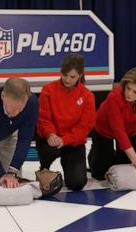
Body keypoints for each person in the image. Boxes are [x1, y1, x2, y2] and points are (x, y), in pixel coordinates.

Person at [36, 53, 96, 190]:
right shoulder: (48, 90)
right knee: (48, 150)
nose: (67, 79)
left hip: (72, 142)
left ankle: (69, 168)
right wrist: (50, 134)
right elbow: (43, 118)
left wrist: (65, 140)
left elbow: (85, 127)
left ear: (80, 76)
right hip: (51, 139)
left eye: (72, 77)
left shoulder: (88, 96)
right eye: (65, 75)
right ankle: (44, 168)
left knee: (77, 184)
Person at [88, 66, 136, 180]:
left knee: (126, 166)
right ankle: (94, 153)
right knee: (101, 173)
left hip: (131, 130)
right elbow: (119, 131)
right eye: (128, 88)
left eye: (135, 92)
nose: (129, 93)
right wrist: (135, 158)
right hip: (104, 129)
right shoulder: (114, 97)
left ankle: (113, 156)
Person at [0, 78, 38, 188]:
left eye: (20, 109)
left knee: (11, 183)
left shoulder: (31, 103)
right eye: (13, 108)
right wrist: (0, 174)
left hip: (7, 138)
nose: (15, 114)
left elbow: (25, 138)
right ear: (3, 96)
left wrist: (11, 172)